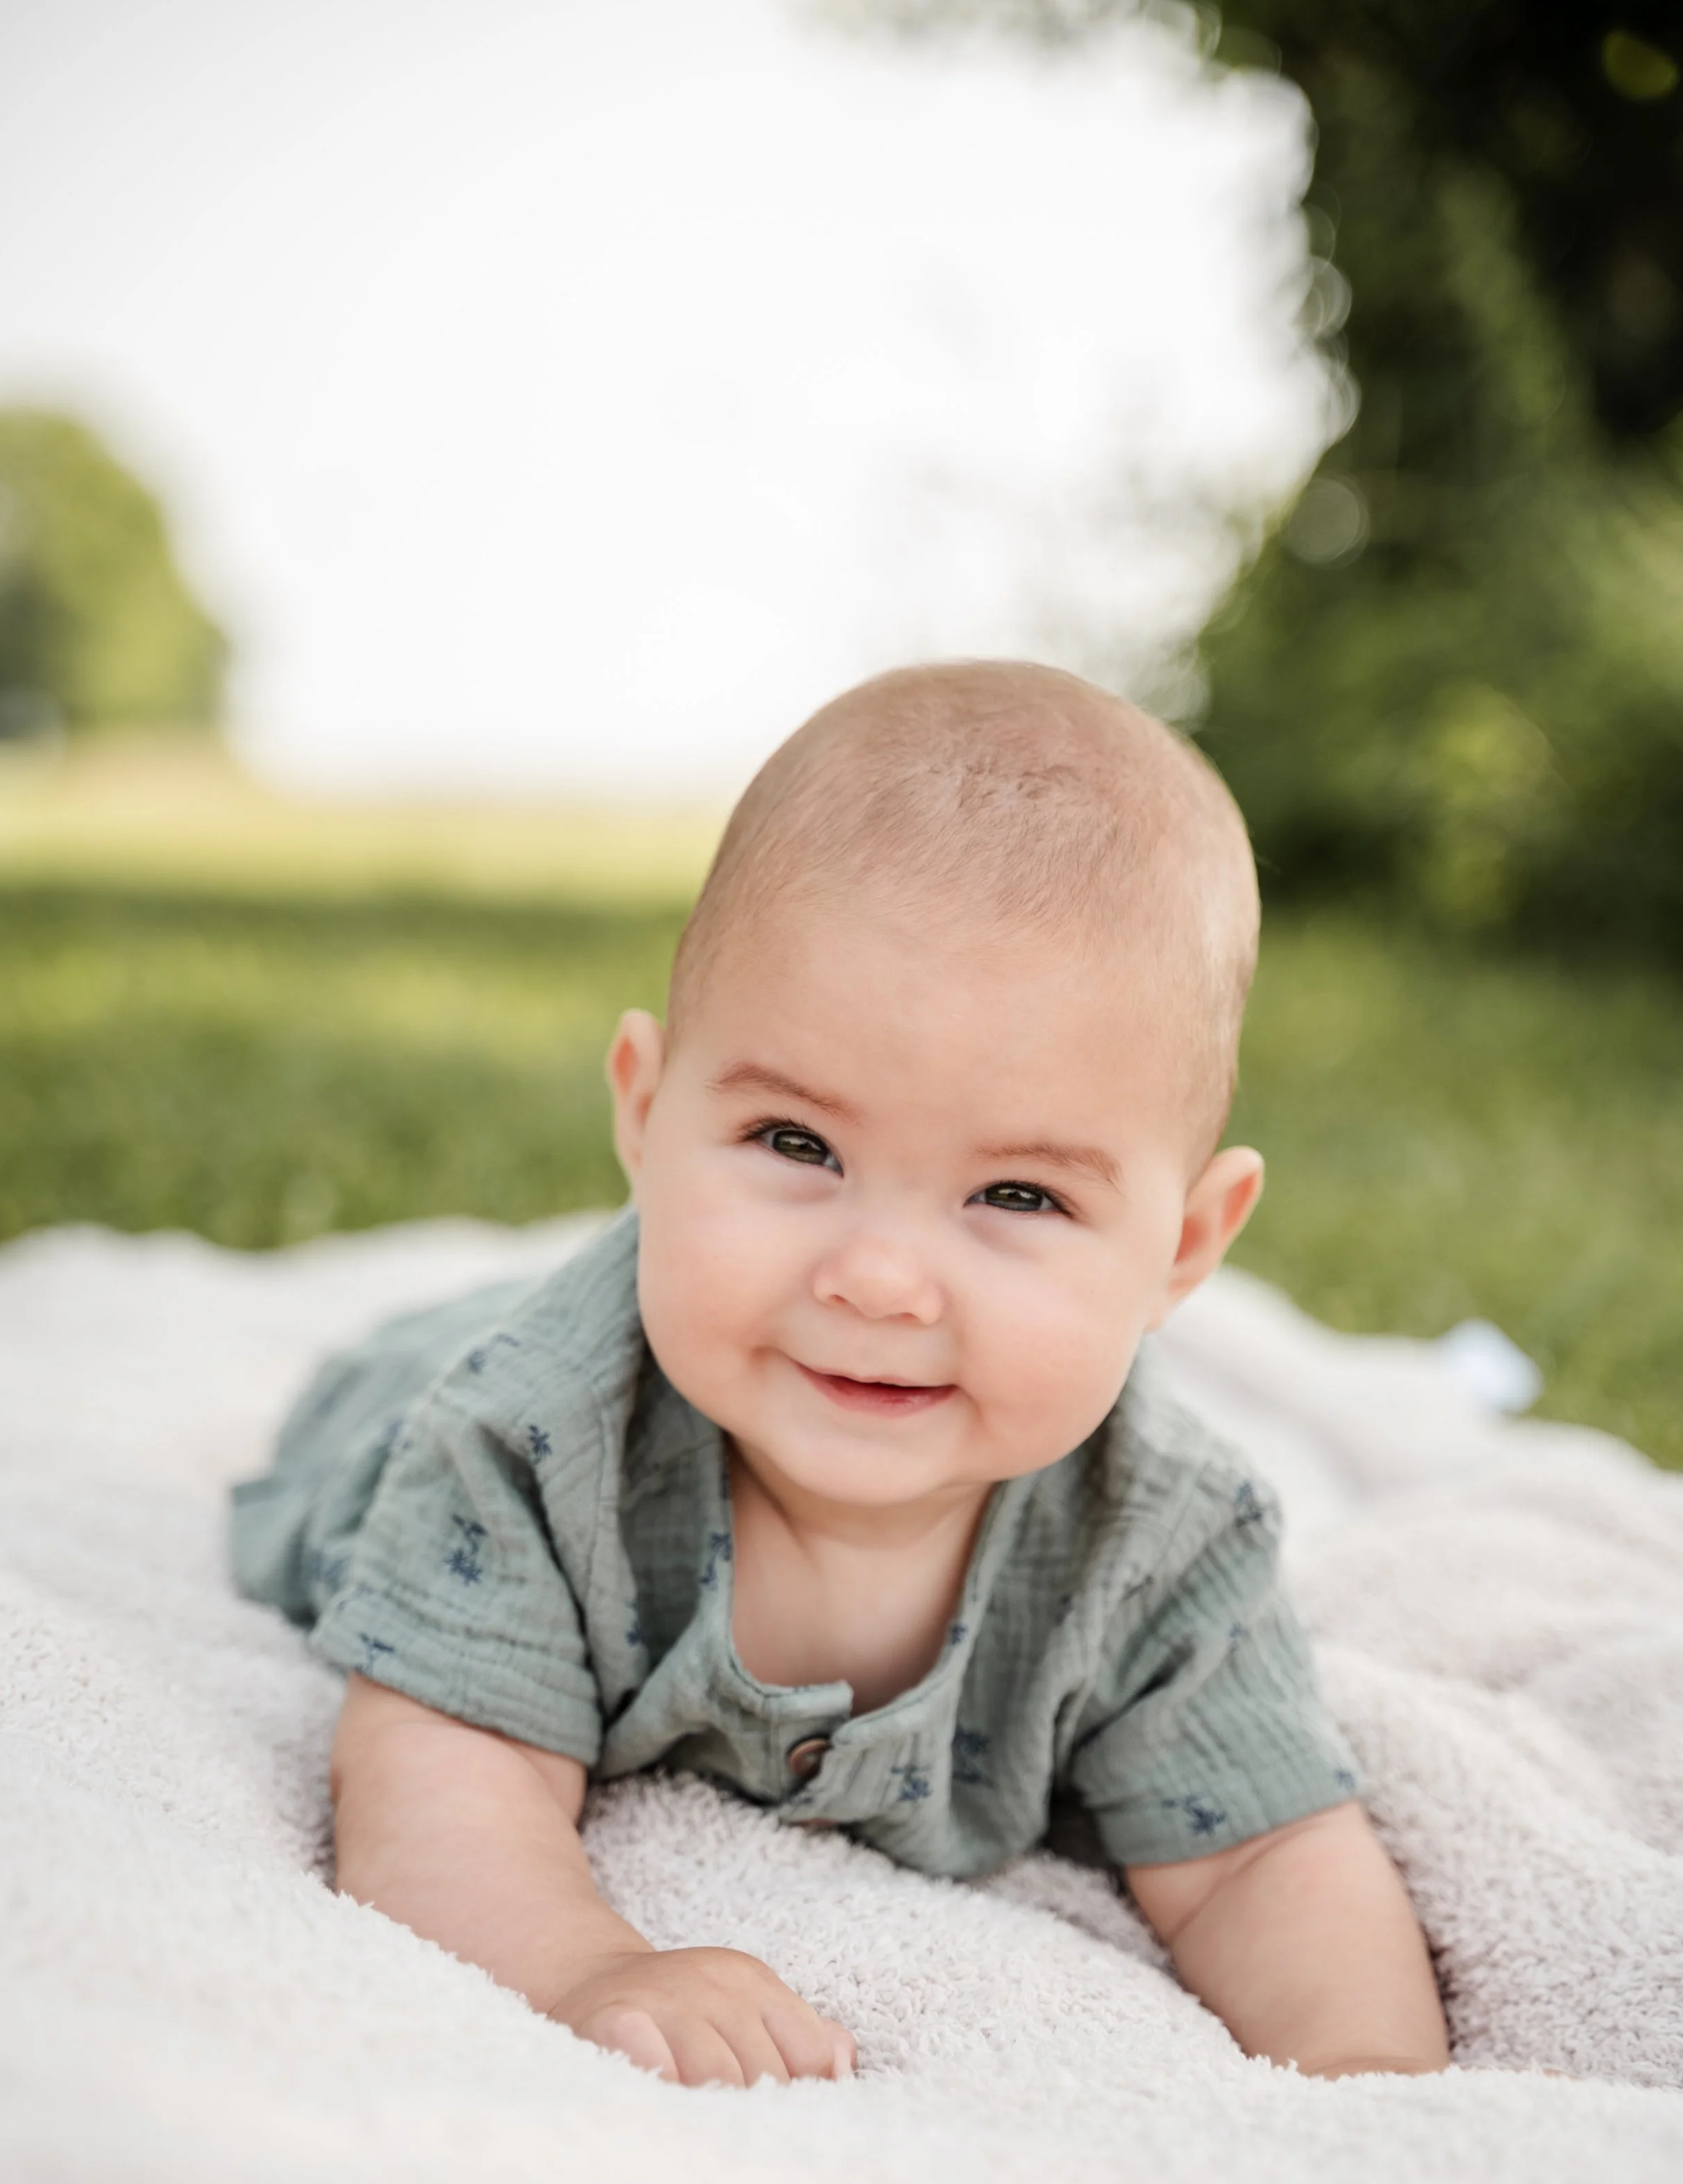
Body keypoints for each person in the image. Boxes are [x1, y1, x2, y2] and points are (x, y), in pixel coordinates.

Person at [232, 661, 1450, 2091]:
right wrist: (584, 1965)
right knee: (455, 1360)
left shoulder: (1160, 1542)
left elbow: (1261, 1856)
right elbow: (442, 1772)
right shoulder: (524, 1438)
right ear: (646, 1109)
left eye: (1015, 1196)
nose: (877, 1278)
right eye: (795, 1147)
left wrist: (1366, 2082)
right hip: (397, 1404)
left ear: (1181, 1247)